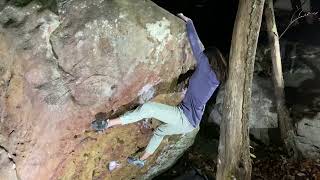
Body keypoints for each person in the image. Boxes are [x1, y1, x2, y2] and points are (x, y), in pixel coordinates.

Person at [91, 13, 227, 168]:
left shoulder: (204, 65)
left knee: (148, 108)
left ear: (209, 59)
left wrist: (189, 21)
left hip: (184, 117)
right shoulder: (215, 80)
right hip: (191, 123)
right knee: (160, 131)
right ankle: (141, 159)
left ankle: (107, 124)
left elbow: (194, 43)